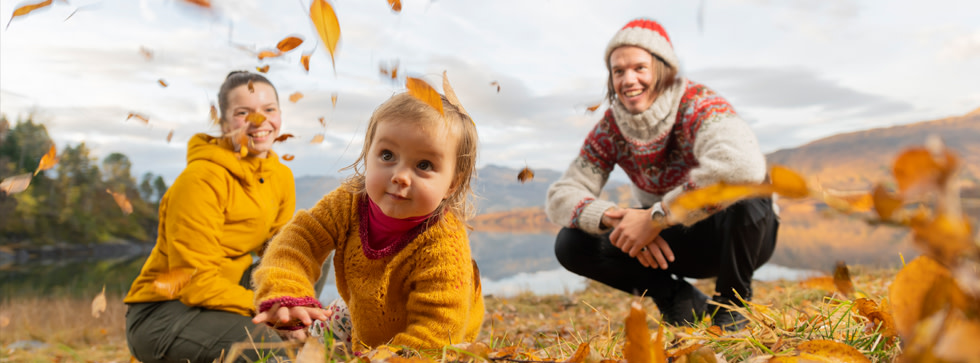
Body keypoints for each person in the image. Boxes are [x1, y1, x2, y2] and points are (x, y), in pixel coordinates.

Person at [545, 18, 779, 332]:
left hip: (739, 236)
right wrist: (618, 218)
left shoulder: (700, 105)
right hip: (669, 243)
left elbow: (741, 167)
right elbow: (561, 196)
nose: (628, 80)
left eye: (639, 68)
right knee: (571, 242)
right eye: (618, 71)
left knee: (750, 187)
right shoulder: (611, 129)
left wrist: (657, 216)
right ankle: (676, 297)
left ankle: (731, 305)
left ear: (664, 70)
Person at [251, 91, 484, 350]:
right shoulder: (348, 202)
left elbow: (436, 331)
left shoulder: (444, 247)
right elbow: (298, 242)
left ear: (452, 183)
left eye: (424, 165)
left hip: (427, 337)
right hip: (361, 314)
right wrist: (286, 288)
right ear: (368, 153)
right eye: (387, 156)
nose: (400, 176)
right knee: (308, 346)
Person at [124, 71, 296, 362]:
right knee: (267, 349)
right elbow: (195, 283)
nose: (260, 121)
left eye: (269, 110)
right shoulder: (199, 181)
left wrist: (295, 303)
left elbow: (280, 252)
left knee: (306, 244)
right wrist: (274, 309)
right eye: (244, 113)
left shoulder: (280, 175)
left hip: (225, 296)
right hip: (165, 313)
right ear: (223, 121)